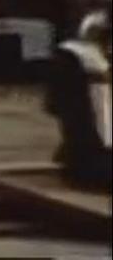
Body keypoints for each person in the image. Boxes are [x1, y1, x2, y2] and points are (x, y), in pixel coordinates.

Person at [45, 11, 112, 192]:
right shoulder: (92, 63)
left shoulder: (68, 55)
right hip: (93, 156)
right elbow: (104, 121)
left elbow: (52, 106)